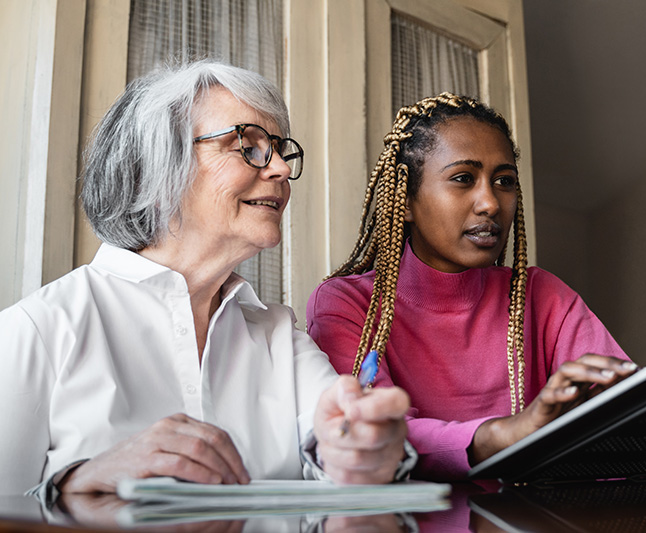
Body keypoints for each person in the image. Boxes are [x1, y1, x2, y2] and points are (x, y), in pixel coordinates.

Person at [0, 59, 412, 497]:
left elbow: (349, 465)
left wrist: (364, 450)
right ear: (157, 171)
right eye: (249, 147)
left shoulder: (280, 338)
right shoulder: (36, 331)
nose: (281, 170)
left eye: (279, 149)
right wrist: (74, 486)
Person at [306, 93, 637, 480]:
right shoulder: (349, 304)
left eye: (504, 181)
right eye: (464, 179)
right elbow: (373, 433)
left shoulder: (540, 294)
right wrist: (508, 432)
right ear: (406, 199)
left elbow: (628, 421)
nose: (490, 203)